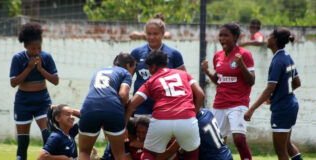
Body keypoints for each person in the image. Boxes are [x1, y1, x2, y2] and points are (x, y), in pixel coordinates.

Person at [126, 51, 205, 160]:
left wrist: (122, 126)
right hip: (186, 117)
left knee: (149, 153)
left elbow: (131, 105)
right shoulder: (183, 74)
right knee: (191, 153)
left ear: (153, 66)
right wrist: (193, 114)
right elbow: (200, 94)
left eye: (148, 67)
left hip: (161, 119)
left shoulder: (151, 81)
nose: (149, 71)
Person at [244, 27, 303, 160]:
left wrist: (251, 110)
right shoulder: (287, 56)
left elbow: (270, 88)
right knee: (287, 145)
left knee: (280, 151)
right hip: (292, 105)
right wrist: (280, 93)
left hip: (282, 109)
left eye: (270, 36)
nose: (267, 38)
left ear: (275, 40)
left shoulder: (277, 61)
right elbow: (297, 83)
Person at [201, 22, 254, 160]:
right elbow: (219, 81)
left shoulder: (244, 54)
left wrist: (241, 64)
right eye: (221, 35)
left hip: (238, 103)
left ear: (235, 37)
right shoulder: (217, 56)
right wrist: (207, 71)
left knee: (239, 140)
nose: (222, 39)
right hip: (219, 103)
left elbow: (251, 81)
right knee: (217, 141)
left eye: (226, 35)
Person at [9, 22, 59, 160]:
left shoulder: (46, 57)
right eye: (32, 48)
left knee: (48, 135)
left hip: (42, 100)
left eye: (39, 48)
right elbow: (13, 82)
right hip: (23, 102)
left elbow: (55, 80)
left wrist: (41, 69)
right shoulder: (18, 58)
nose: (36, 52)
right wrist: (29, 68)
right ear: (25, 46)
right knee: (23, 141)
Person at [78, 52, 136, 160]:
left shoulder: (98, 71)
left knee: (84, 152)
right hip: (112, 108)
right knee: (119, 153)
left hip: (89, 106)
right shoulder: (125, 73)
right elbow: (123, 95)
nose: (133, 73)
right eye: (134, 69)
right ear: (129, 66)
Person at [130, 15, 186, 118]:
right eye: (149, 34)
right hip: (141, 108)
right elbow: (127, 77)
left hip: (166, 107)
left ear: (163, 34)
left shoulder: (174, 54)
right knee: (141, 134)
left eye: (155, 34)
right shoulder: (136, 53)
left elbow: (184, 81)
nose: (151, 37)